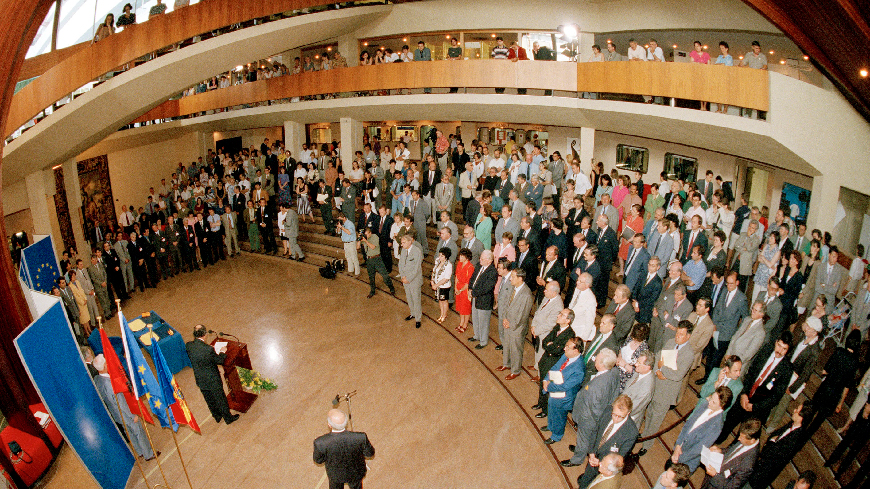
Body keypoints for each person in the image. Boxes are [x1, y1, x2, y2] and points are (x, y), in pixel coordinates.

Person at [716, 331, 793, 445]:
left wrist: (755, 407)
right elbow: (751, 373)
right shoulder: (766, 350)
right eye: (779, 346)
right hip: (745, 397)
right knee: (726, 425)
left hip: (758, 409)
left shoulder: (787, 369)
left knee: (741, 438)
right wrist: (744, 394)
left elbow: (776, 397)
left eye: (784, 349)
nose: (779, 351)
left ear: (788, 351)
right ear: (776, 342)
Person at [638, 321, 695, 455]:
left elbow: (678, 374)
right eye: (677, 333)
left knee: (656, 418)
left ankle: (647, 443)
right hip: (656, 383)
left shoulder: (688, 354)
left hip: (666, 392)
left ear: (688, 336)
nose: (677, 336)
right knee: (650, 412)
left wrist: (663, 370)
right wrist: (658, 370)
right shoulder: (670, 342)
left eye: (681, 334)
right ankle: (645, 433)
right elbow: (658, 356)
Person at [92, 354, 156, 460]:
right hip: (124, 413)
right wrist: (132, 416)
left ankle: (139, 451)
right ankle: (148, 454)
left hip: (116, 414)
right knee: (138, 431)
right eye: (106, 363)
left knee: (129, 432)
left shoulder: (97, 380)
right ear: (103, 367)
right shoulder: (109, 384)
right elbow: (119, 403)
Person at [563, 349, 620, 466]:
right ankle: (581, 449)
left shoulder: (597, 387)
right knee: (584, 439)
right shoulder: (614, 371)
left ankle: (577, 459)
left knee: (583, 437)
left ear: (602, 364)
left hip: (588, 418)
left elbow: (594, 410)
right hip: (599, 411)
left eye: (597, 359)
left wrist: (590, 421)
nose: (594, 360)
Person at [747, 401, 813, 489]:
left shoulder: (796, 438)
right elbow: (773, 436)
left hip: (763, 474)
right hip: (760, 465)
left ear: (802, 417)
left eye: (797, 410)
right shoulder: (791, 424)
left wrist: (771, 442)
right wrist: (772, 442)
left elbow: (772, 454)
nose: (794, 410)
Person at [575, 395, 638, 489]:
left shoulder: (631, 432)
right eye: (614, 414)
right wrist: (591, 453)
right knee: (586, 480)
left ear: (628, 413)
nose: (615, 419)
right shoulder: (608, 410)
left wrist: (601, 463)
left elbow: (620, 457)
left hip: (606, 467)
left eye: (621, 417)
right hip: (593, 457)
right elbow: (595, 431)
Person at [185, 325, 239, 424]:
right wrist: (222, 352)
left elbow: (199, 353)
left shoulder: (189, 346)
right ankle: (228, 418)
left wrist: (207, 349)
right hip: (212, 379)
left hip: (200, 379)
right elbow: (220, 360)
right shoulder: (208, 350)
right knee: (220, 399)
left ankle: (217, 416)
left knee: (209, 399)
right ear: (204, 335)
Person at [671, 385, 732, 471]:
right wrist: (677, 445)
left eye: (714, 402)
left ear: (722, 406)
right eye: (711, 397)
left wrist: (679, 458)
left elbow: (698, 449)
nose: (709, 402)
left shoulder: (717, 426)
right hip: (679, 449)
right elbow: (688, 425)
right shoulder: (705, 405)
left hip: (686, 461)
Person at [313, 409, 375, 489]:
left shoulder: (320, 442)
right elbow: (370, 453)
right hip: (356, 472)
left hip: (335, 475)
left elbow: (318, 460)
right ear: (346, 423)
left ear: (329, 425)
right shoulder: (360, 437)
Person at [541, 337, 586, 444]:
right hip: (554, 389)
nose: (564, 349)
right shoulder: (566, 356)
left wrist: (549, 386)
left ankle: (556, 435)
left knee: (559, 417)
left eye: (567, 347)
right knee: (551, 410)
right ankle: (551, 426)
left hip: (563, 397)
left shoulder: (579, 369)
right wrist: (546, 379)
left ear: (576, 351)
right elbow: (555, 367)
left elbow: (565, 387)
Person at [700, 418, 761, 489]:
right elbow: (734, 450)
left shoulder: (748, 465)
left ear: (752, 441)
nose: (738, 439)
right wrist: (720, 450)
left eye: (742, 438)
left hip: (717, 484)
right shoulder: (746, 440)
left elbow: (731, 487)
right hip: (715, 472)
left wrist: (715, 475)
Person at [499, 268, 534, 379]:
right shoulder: (514, 288)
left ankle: (515, 370)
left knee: (515, 349)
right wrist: (504, 318)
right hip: (508, 323)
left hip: (516, 327)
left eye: (513, 277)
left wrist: (511, 324)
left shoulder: (526, 294)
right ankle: (506, 364)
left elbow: (523, 315)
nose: (510, 279)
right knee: (507, 345)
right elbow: (506, 304)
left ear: (520, 278)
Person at [468, 250, 497, 349]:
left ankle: (483, 341)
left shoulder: (493, 272)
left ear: (489, 261)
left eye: (482, 259)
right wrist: (470, 288)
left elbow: (487, 287)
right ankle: (477, 335)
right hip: (476, 297)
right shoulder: (479, 266)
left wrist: (473, 293)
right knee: (475, 318)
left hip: (484, 299)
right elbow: (472, 278)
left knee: (483, 321)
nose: (480, 260)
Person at [398, 234, 423, 329]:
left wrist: (409, 278)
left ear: (410, 242)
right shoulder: (403, 250)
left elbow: (417, 268)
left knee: (416, 299)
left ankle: (418, 318)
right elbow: (400, 264)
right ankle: (412, 313)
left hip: (414, 280)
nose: (402, 245)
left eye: (404, 242)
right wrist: (403, 276)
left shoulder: (417, 251)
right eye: (401, 243)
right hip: (405, 279)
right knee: (409, 298)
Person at [363, 226, 394, 298]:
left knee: (385, 275)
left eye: (367, 234)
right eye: (365, 234)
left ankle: (391, 288)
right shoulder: (364, 238)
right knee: (371, 277)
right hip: (369, 260)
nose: (366, 236)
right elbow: (357, 247)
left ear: (370, 233)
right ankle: (372, 290)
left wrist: (365, 241)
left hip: (377, 258)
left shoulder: (375, 237)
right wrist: (359, 239)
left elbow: (373, 247)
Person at [453, 248, 474, 333]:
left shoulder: (470, 267)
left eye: (462, 256)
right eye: (460, 256)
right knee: (461, 307)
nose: (460, 258)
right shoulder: (459, 264)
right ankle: (461, 322)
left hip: (465, 290)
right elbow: (457, 276)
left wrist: (460, 290)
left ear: (467, 257)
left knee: (466, 307)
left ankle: (465, 324)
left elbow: (468, 283)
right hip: (459, 288)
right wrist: (455, 288)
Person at [430, 247, 452, 320]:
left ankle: (444, 315)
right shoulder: (437, 261)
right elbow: (434, 271)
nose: (440, 257)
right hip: (437, 285)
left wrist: (436, 285)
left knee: (444, 301)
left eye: (442, 256)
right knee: (440, 300)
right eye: (439, 255)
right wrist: (432, 281)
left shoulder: (448, 265)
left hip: (444, 286)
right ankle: (441, 313)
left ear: (446, 257)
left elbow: (446, 278)